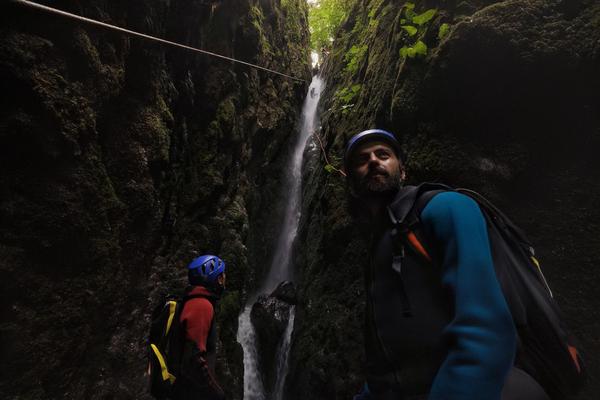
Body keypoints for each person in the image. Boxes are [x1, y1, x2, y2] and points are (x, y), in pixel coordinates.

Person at [344, 129, 549, 400]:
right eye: (362, 159)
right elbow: (390, 357)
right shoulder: (378, 250)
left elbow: (486, 329)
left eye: (383, 154)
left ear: (402, 171)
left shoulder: (446, 207)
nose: (373, 161)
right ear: (350, 183)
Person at [174, 254, 227, 400]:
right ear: (214, 279)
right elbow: (193, 358)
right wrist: (216, 392)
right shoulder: (201, 305)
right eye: (221, 277)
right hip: (191, 393)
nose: (223, 282)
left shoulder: (194, 302)